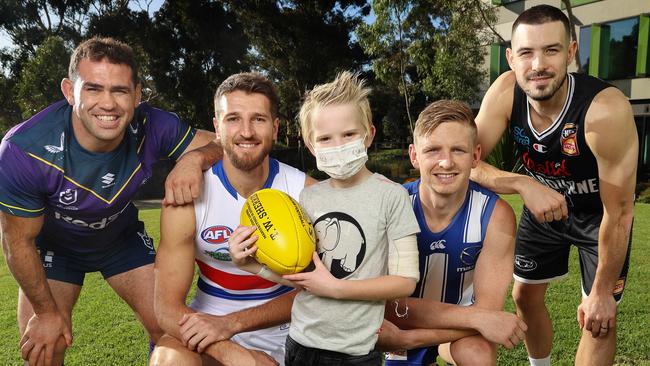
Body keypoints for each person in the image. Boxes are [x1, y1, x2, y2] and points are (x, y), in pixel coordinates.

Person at [0, 37, 219, 366]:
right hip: (55, 248)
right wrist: (45, 313)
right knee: (44, 346)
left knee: (172, 331)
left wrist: (194, 159)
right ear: (69, 91)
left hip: (121, 239)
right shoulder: (24, 149)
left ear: (137, 95)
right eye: (93, 89)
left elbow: (220, 143)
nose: (108, 103)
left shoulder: (153, 124)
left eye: (119, 90)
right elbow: (17, 242)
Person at [470, 5, 637, 366]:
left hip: (599, 219)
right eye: (527, 53)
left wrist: (603, 292)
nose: (538, 65)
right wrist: (523, 184)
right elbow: (465, 161)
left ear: (571, 53)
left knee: (598, 320)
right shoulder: (504, 92)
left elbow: (620, 211)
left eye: (551, 50)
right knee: (524, 298)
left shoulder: (604, 111)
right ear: (511, 59)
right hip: (542, 208)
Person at [230, 71, 421, 365]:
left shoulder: (391, 196)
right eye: (325, 138)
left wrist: (338, 289)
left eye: (348, 135)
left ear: (369, 135)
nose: (338, 145)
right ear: (310, 145)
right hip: (300, 344)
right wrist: (251, 265)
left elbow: (406, 282)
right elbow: (305, 278)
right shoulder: (308, 198)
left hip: (355, 353)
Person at [151, 72, 317, 366]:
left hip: (287, 328)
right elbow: (165, 308)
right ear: (217, 127)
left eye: (259, 119)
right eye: (233, 119)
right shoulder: (188, 196)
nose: (246, 131)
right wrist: (236, 355)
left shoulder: (305, 191)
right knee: (169, 360)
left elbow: (319, 290)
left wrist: (234, 323)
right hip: (208, 323)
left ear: (276, 128)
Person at [379, 100, 523, 366]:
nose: (446, 162)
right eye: (433, 150)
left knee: (478, 355)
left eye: (458, 150)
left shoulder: (495, 216)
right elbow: (391, 308)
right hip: (400, 329)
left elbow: (488, 314)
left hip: (460, 330)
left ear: (476, 156)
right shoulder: (393, 207)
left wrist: (480, 320)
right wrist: (407, 339)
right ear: (414, 155)